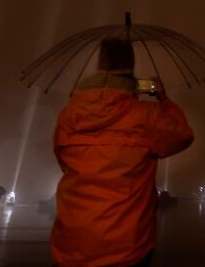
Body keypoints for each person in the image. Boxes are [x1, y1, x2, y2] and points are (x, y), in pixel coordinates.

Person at [51, 37, 194, 267]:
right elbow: (183, 135)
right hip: (126, 248)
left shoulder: (68, 116)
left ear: (99, 66)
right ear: (131, 72)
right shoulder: (146, 117)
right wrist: (163, 100)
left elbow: (63, 161)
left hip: (72, 246)